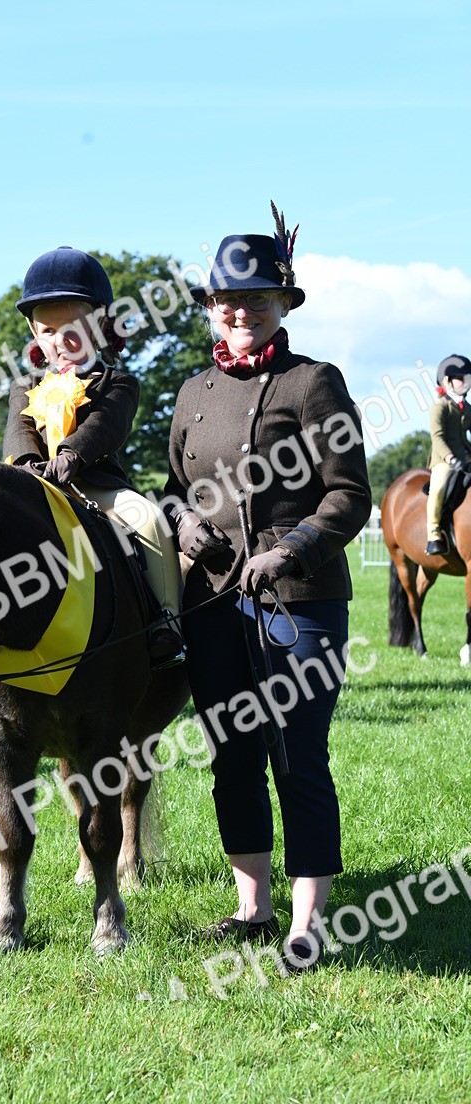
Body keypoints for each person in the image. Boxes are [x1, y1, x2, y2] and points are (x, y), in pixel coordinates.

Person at [164, 205, 372, 969]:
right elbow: (173, 490)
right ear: (210, 308)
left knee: (298, 754)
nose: (239, 312)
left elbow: (349, 495)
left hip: (300, 605)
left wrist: (291, 551)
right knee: (232, 756)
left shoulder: (314, 383)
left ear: (283, 303)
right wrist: (184, 525)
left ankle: (307, 924)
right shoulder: (191, 391)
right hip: (213, 605)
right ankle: (252, 908)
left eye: (255, 299)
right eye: (227, 300)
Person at [3, 246, 195, 665]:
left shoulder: (117, 381)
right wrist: (27, 465)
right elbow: (19, 429)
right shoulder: (24, 385)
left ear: (100, 325)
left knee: (149, 519)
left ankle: (167, 621)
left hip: (94, 485)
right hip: (31, 485)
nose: (60, 340)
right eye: (48, 330)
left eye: (73, 327)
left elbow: (105, 425)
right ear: (34, 332)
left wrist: (71, 456)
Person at [425, 354, 471, 555]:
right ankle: (433, 534)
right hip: (444, 459)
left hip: (466, 456)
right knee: (439, 488)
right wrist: (450, 458)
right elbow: (437, 436)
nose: (465, 382)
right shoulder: (440, 407)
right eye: (460, 378)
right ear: (447, 381)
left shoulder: (467, 408)